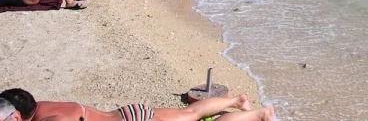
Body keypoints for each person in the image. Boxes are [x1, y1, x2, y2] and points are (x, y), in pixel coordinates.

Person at [0, 89, 275, 121]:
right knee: (190, 112)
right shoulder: (40, 105)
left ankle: (259, 114)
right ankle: (236, 101)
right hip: (127, 113)